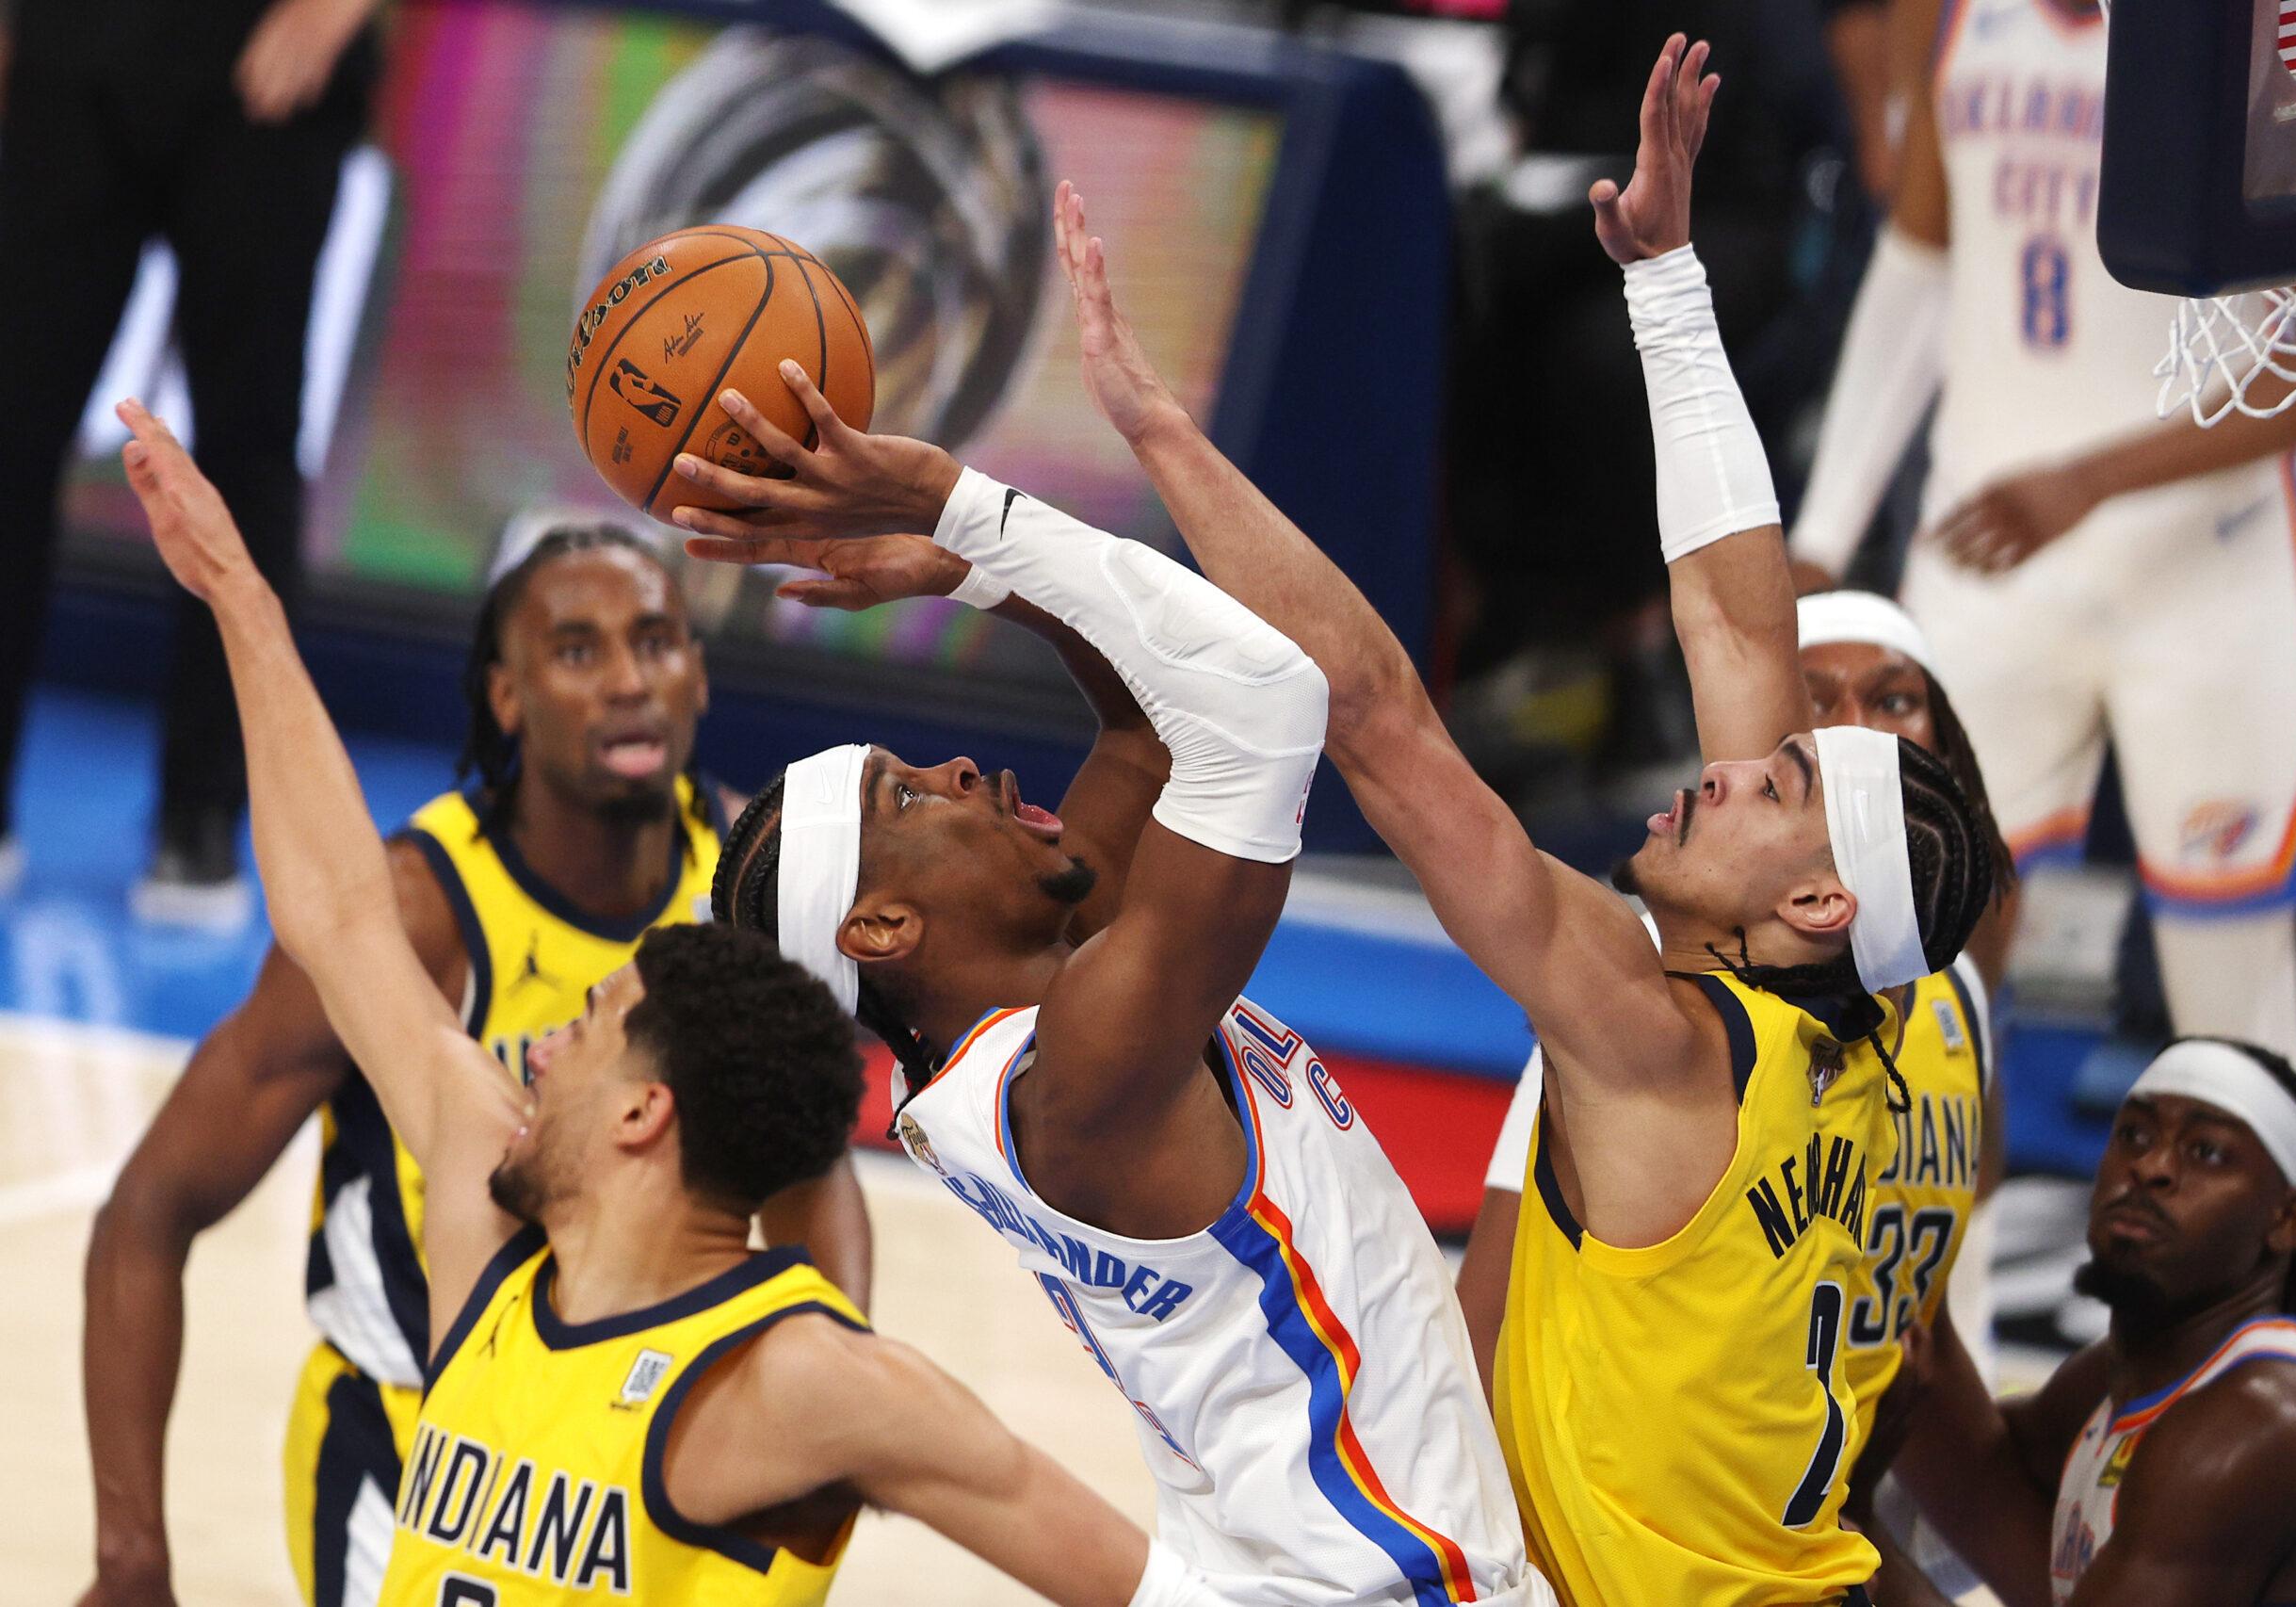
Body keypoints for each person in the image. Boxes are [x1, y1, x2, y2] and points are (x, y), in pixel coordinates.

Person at [1045, 36, 1996, 1603]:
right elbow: (1738, 625)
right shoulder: (1894, 1017)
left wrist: (1157, 440)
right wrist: (1667, 285)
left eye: (1783, 784)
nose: (1734, 762)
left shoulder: (1655, 1032)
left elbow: (1377, 712)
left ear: (1818, 904)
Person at [110, 395, 1238, 1607]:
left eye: (581, 1030)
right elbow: (338, 918)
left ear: (645, 1111)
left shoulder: (800, 1381)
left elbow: (1158, 1591)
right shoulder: (489, 1278)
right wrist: (237, 594)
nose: (536, 1053)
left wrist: (984, 541)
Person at [670, 381, 1545, 1598]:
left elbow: (1145, 722)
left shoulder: (1033, 1020)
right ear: (881, 926)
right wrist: (953, 500)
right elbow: (1266, 701)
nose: (958, 765)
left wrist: (974, 573)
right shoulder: (1084, 1074)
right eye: (906, 795)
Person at [79, 514, 871, 1606]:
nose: (629, 680)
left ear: (698, 672)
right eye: (578, 649)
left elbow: (814, 1175)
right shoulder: (418, 908)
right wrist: (130, 1552)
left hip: (642, 1446)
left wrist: (827, 1393)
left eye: (655, 640)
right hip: (413, 1440)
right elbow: (148, 1209)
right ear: (507, 695)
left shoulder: (753, 884)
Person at [1788, 0, 2296, 1079]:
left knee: (2232, 1022)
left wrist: (2090, 480)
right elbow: (1918, 264)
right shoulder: (1945, 12)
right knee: (1922, 998)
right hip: (1985, 552)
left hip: (2210, 571)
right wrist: (1825, 532)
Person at [1456, 590, 2015, 1398]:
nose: (1856, 730)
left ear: (1946, 751)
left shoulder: (1956, 997)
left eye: (1894, 701)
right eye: (1814, 706)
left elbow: (1943, 1312)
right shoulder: (1648, 984)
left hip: (1816, 1462)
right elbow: (1491, 1306)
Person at [0, 0, 385, 919]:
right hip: (71, 49)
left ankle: (202, 818)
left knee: (247, 446)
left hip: (266, 64)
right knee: (9, 423)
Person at [1890, 1037, 2296, 1607]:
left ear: (2287, 1219)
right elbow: (1978, 1484)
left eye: (2206, 1152)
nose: (2151, 1167)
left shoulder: (2260, 1427)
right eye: (2135, 1136)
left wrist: (1867, 1568)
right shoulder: (2117, 1378)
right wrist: (1899, 1283)